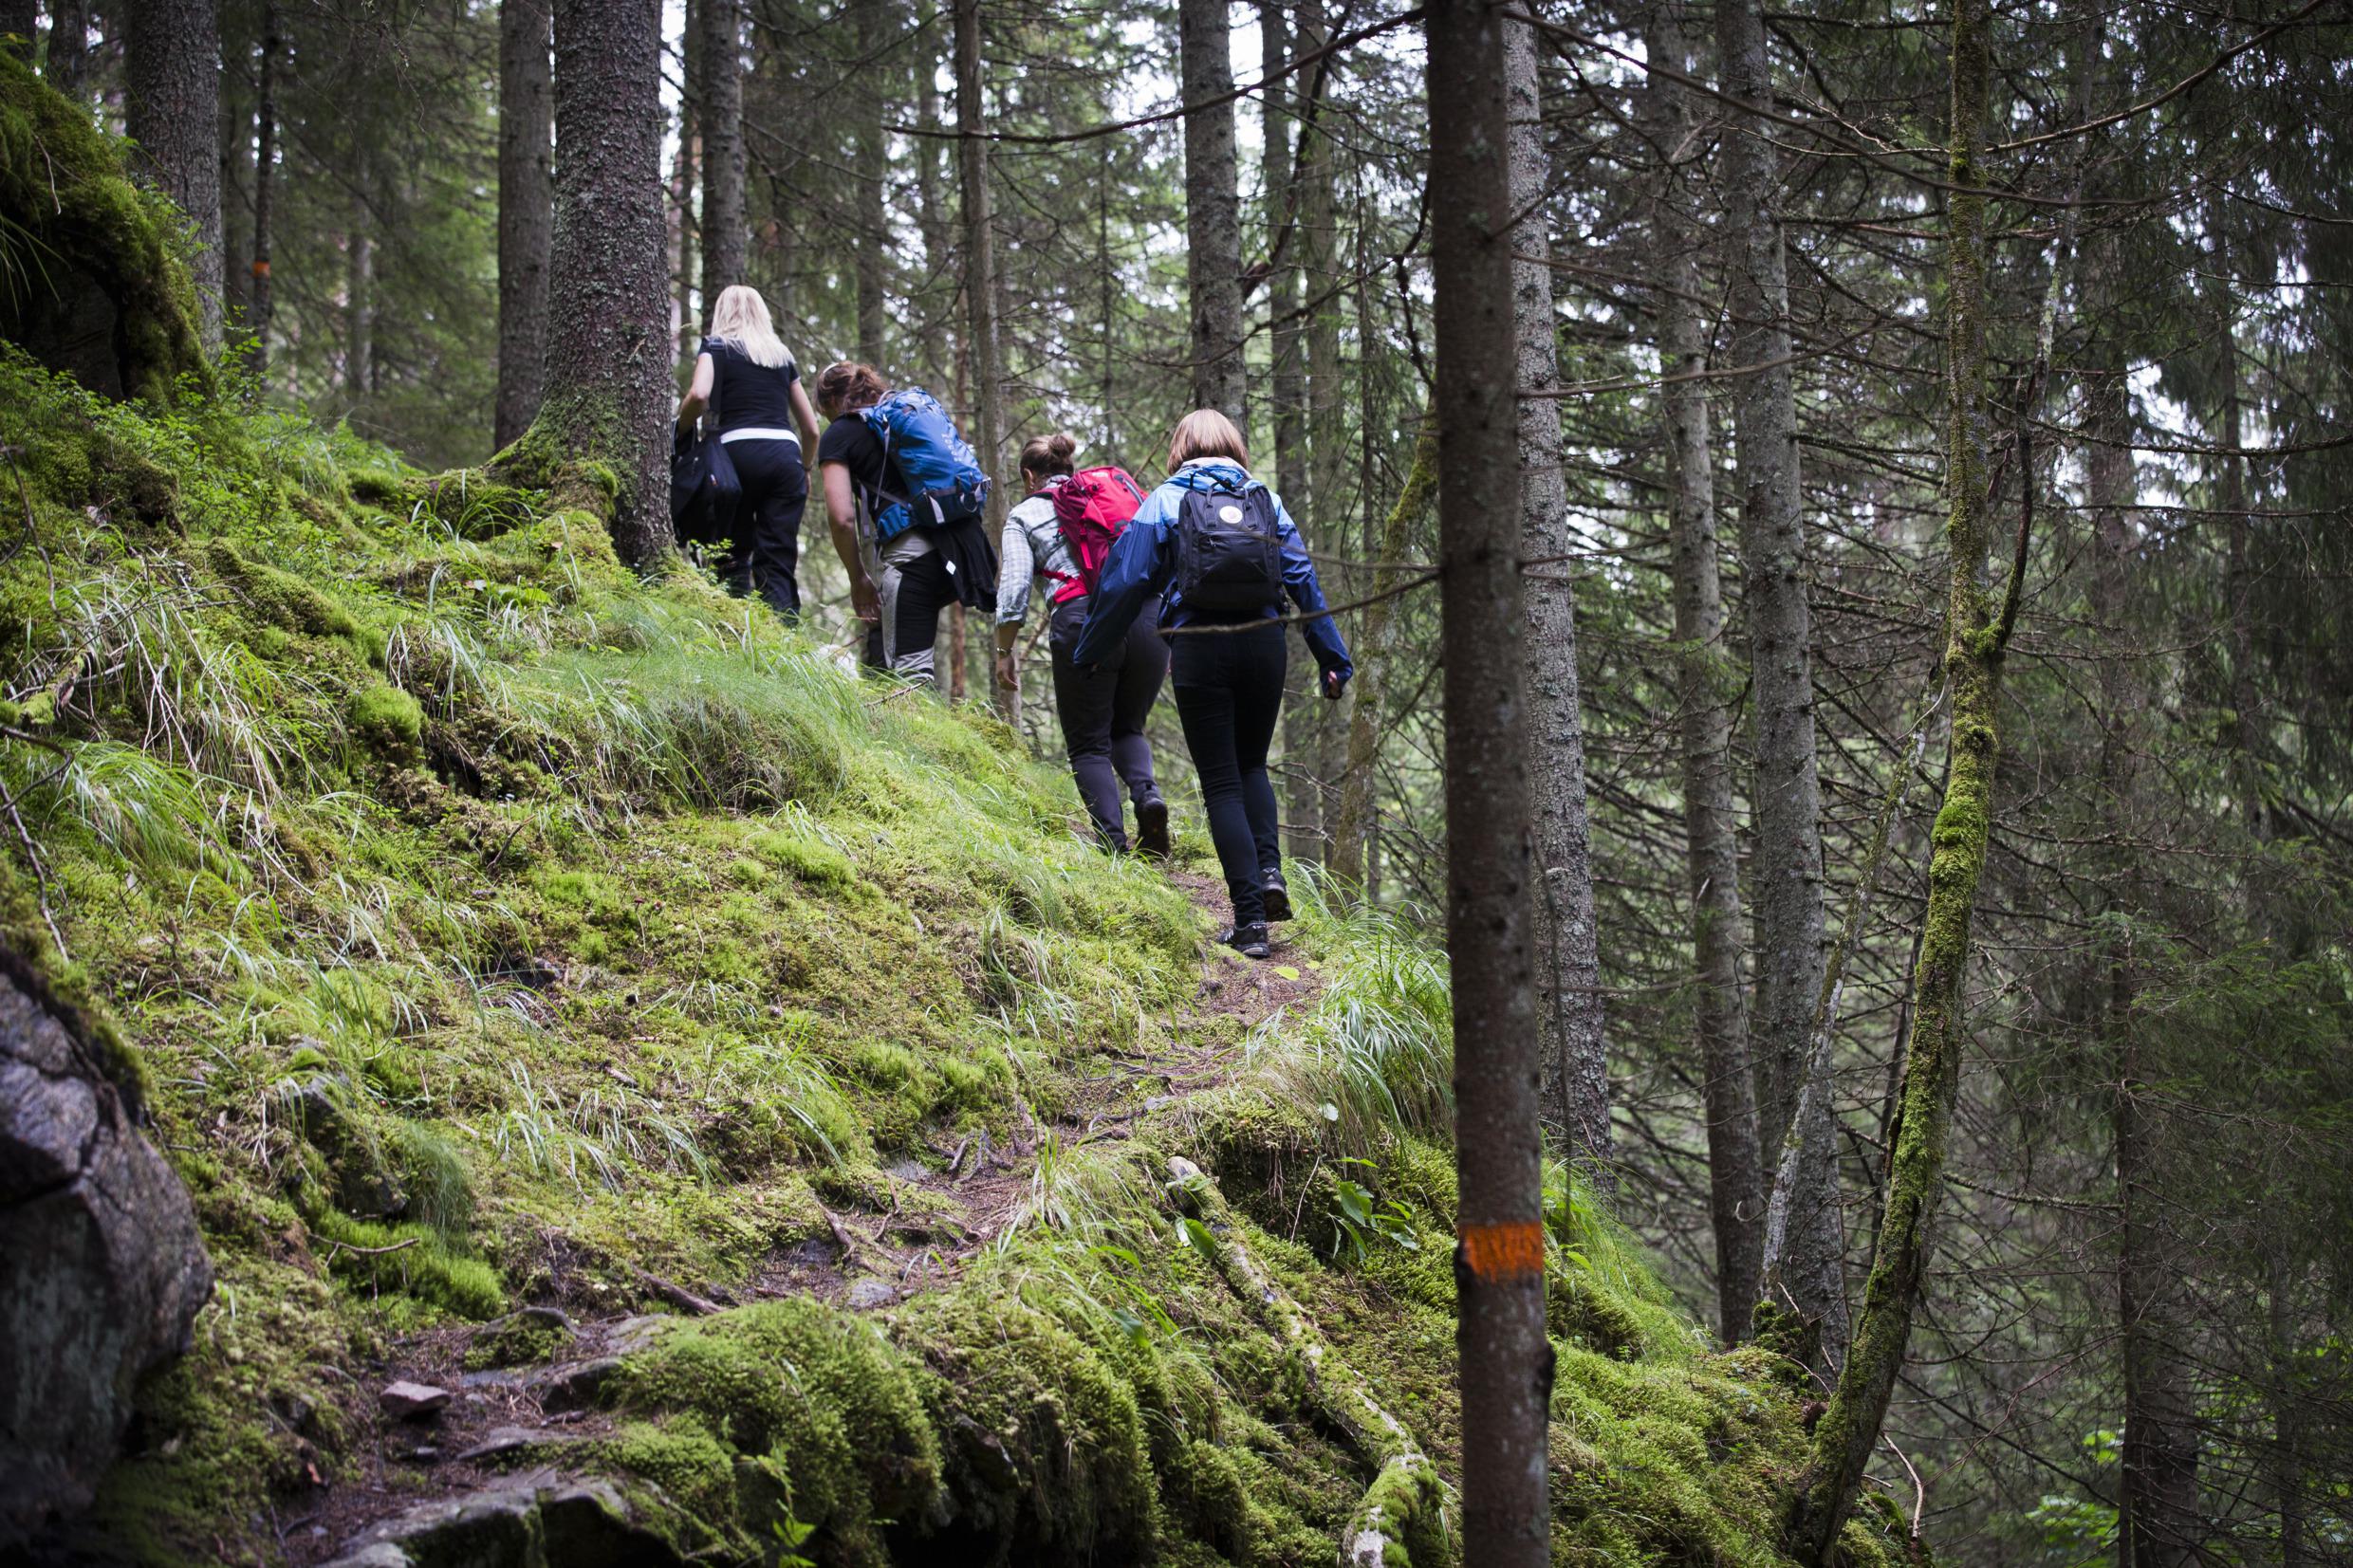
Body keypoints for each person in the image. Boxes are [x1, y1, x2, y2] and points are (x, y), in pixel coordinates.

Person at [1074, 410, 1350, 958]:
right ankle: (1270, 873)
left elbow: (1126, 582)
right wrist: (1332, 657)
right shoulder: (1265, 500)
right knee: (1252, 766)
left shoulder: (1165, 499)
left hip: (1200, 645)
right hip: (1265, 642)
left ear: (1181, 448)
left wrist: (1092, 650)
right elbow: (1303, 580)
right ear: (1233, 447)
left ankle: (1250, 924)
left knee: (1221, 781)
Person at [995, 433, 1171, 857]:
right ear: (1070, 468)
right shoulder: (1106, 497)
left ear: (1028, 475)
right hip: (1147, 616)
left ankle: (1112, 846)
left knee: (1089, 743)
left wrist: (1004, 652)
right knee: (1127, 727)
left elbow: (1015, 587)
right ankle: (1147, 795)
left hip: (1083, 621)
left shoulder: (1024, 514)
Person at [813, 361, 998, 684]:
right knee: (895, 642)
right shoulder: (904, 417)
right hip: (964, 553)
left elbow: (841, 519)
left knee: (909, 680)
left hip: (912, 562)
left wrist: (859, 579)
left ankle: (918, 727)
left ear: (831, 402)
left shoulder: (840, 432)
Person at [674, 286, 823, 617]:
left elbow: (699, 395)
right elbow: (811, 428)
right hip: (785, 458)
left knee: (732, 552)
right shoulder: (781, 356)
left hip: (734, 457)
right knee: (778, 557)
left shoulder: (715, 347)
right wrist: (806, 468)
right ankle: (783, 642)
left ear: (722, 313)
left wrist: (678, 430)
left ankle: (733, 635)